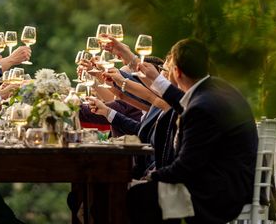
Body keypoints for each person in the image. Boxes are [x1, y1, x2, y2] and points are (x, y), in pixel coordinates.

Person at [107, 37, 257, 224]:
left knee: (139, 196)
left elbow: (186, 167)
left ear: (177, 72)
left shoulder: (200, 107)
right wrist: (133, 60)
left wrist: (152, 176)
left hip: (215, 193)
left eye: (167, 69)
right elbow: (181, 100)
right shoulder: (215, 89)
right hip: (230, 182)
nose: (164, 73)